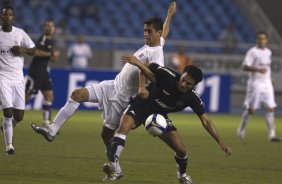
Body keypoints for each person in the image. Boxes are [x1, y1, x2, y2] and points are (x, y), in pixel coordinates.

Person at [30, 1, 177, 161]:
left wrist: (138, 64)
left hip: (122, 99)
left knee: (106, 134)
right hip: (112, 86)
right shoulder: (157, 42)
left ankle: (113, 161)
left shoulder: (156, 54)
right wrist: (169, 15)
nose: (146, 34)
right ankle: (52, 130)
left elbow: (156, 78)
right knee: (77, 94)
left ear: (157, 32)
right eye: (144, 30)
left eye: (149, 31)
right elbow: (165, 34)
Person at [103, 57, 232, 183]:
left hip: (159, 117)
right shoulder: (167, 75)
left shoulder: (192, 98)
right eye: (183, 79)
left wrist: (220, 142)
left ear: (195, 85)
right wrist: (142, 86)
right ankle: (115, 168)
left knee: (181, 150)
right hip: (141, 105)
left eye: (188, 84)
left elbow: (205, 121)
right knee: (124, 126)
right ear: (182, 75)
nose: (183, 84)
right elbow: (146, 66)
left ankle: (182, 175)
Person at [0, 6, 35, 155]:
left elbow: (33, 49)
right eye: (5, 15)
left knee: (19, 116)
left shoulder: (20, 33)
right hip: (2, 77)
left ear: (13, 17)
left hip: (18, 78)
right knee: (7, 111)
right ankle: (9, 145)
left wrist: (23, 50)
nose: (7, 17)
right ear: (2, 17)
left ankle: (6, 126)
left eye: (10, 15)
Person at [237, 31, 280, 142]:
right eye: (259, 39)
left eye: (264, 39)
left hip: (266, 82)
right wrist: (257, 69)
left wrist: (270, 79)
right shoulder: (252, 52)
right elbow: (244, 66)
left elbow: (267, 68)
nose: (261, 41)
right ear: (257, 40)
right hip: (255, 83)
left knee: (271, 108)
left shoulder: (268, 52)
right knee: (252, 110)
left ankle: (272, 135)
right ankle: (241, 129)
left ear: (266, 40)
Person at [25, 20, 60, 126]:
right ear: (44, 28)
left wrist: (53, 56)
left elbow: (49, 56)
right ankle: (11, 118)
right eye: (47, 26)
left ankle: (46, 122)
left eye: (51, 26)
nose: (49, 28)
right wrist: (51, 54)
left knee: (49, 96)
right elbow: (35, 52)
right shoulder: (43, 38)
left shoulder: (51, 41)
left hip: (43, 72)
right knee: (26, 96)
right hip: (36, 72)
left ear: (54, 29)